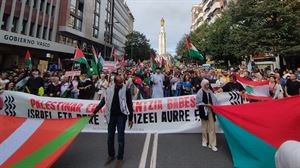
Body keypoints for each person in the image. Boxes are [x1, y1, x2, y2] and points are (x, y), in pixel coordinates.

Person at [91, 76, 133, 168]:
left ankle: (120, 158)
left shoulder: (126, 90)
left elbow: (130, 104)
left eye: (122, 82)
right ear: (115, 82)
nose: (121, 84)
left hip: (121, 116)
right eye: (119, 83)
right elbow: (103, 101)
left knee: (120, 138)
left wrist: (130, 118)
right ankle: (111, 155)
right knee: (110, 137)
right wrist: (95, 111)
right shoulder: (109, 90)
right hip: (111, 116)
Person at [196, 79, 218, 152]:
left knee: (212, 127)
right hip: (203, 110)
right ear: (203, 85)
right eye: (206, 84)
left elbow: (215, 100)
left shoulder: (210, 91)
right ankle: (205, 141)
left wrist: (215, 106)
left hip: (210, 110)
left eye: (208, 84)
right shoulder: (200, 92)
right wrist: (205, 104)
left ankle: (212, 144)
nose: (208, 86)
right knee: (204, 126)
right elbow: (198, 103)